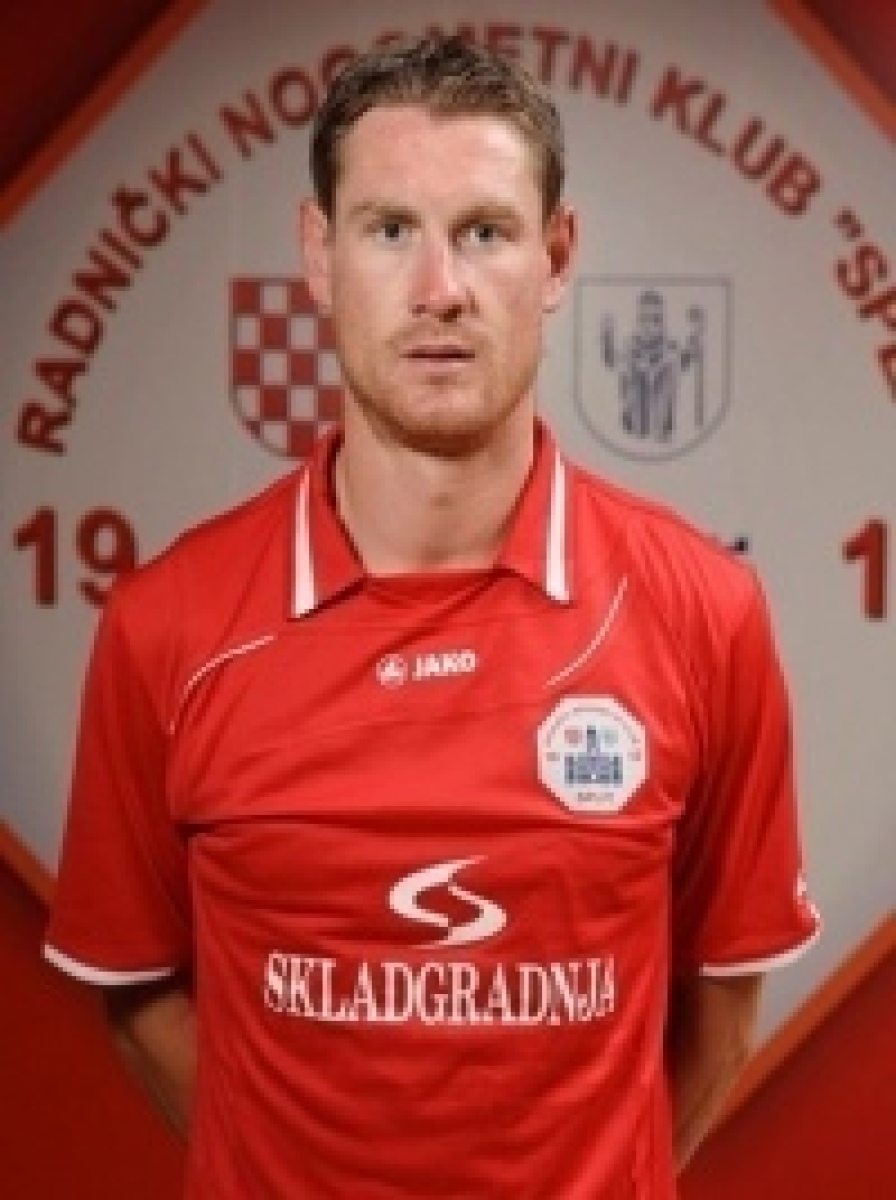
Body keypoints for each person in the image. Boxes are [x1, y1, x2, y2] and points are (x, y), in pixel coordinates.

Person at [44, 34, 820, 1199]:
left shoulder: (702, 611)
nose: (438, 289)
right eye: (390, 229)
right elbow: (140, 990)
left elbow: (720, 1004)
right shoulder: (168, 627)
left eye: (485, 232)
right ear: (319, 255)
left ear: (556, 257)